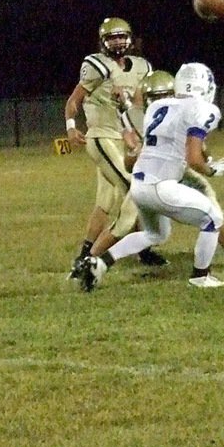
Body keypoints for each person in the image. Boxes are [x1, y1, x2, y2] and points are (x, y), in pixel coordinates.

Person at [72, 62, 224, 291]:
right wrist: (211, 169)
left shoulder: (159, 107)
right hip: (162, 185)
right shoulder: (205, 110)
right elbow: (195, 158)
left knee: (155, 233)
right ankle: (200, 276)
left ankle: (101, 262)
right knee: (213, 218)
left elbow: (135, 155)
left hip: (140, 185)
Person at [63, 17, 165, 270]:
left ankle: (88, 252)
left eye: (122, 36)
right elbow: (73, 100)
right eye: (112, 37)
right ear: (103, 41)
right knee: (135, 190)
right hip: (102, 137)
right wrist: (71, 126)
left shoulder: (142, 66)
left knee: (106, 202)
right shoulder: (97, 65)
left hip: (126, 138)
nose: (118, 41)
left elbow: (141, 105)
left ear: (130, 38)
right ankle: (100, 257)